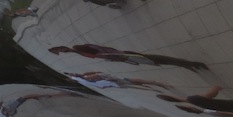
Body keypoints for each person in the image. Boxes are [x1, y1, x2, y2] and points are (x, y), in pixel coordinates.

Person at [49, 44, 207, 71]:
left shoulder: (81, 49)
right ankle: (189, 65)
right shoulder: (80, 51)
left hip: (125, 55)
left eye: (62, 51)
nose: (64, 52)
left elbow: (103, 52)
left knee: (159, 59)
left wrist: (126, 57)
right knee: (159, 61)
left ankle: (192, 64)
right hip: (125, 56)